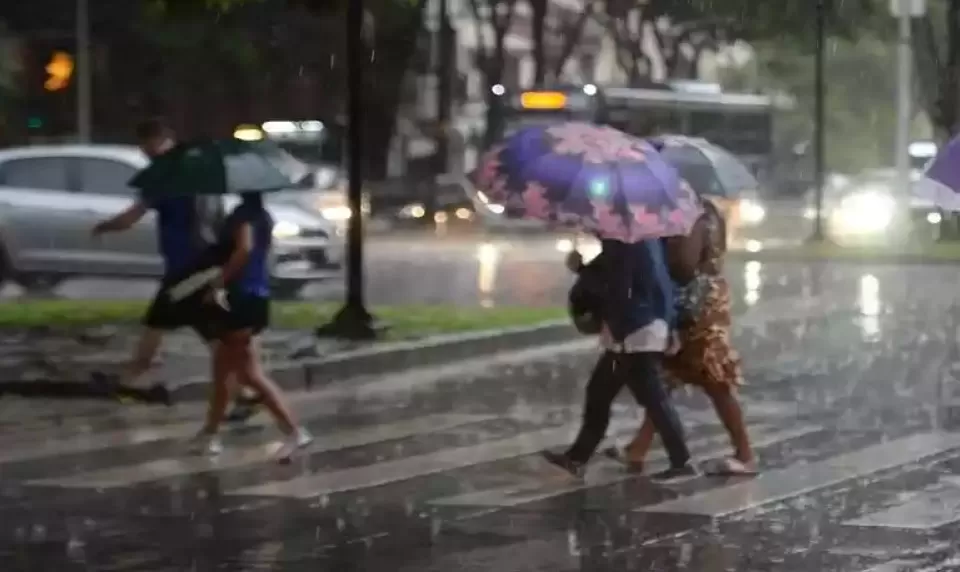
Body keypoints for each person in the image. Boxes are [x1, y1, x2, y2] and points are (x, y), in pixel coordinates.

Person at [90, 118, 260, 419]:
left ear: (155, 141)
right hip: (201, 263)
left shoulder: (165, 177)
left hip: (184, 268)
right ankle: (243, 392)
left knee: (158, 322)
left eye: (146, 147)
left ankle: (130, 380)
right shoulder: (196, 171)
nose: (144, 153)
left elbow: (131, 217)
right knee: (207, 331)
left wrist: (103, 227)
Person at [602, 197, 756, 475]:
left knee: (713, 378)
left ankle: (745, 454)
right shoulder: (692, 208)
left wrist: (660, 253)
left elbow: (685, 264)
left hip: (697, 308)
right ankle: (638, 448)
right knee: (665, 378)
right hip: (689, 303)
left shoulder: (691, 212)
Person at [543, 238, 695, 480]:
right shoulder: (646, 239)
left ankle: (682, 461)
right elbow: (658, 285)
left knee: (651, 397)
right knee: (601, 392)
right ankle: (576, 458)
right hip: (638, 329)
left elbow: (614, 288)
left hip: (633, 332)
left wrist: (580, 270)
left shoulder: (624, 243)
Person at [189, 192, 312, 458]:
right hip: (256, 297)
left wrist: (219, 281)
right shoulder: (263, 215)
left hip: (242, 297)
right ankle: (210, 434)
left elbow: (243, 249)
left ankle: (293, 430)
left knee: (246, 373)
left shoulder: (243, 215)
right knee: (225, 371)